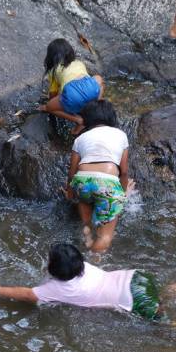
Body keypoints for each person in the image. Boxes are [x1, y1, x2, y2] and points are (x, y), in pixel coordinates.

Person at [0, 243, 176, 343]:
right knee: (168, 291)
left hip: (133, 299)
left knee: (167, 325)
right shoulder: (85, 268)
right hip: (137, 277)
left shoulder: (57, 288)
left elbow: (26, 294)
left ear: (54, 270)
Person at [64, 100, 132, 253]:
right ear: (110, 117)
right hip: (107, 184)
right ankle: (93, 263)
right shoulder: (120, 135)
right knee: (105, 237)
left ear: (87, 119)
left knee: (87, 225)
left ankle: (86, 240)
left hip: (82, 183)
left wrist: (69, 193)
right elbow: (124, 171)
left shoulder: (80, 139)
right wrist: (123, 194)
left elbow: (72, 172)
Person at [39, 38, 105, 135]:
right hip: (91, 90)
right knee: (98, 79)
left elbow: (53, 94)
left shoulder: (53, 70)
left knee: (50, 107)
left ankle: (78, 120)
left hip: (73, 95)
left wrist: (49, 105)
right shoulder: (78, 63)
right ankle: (96, 106)